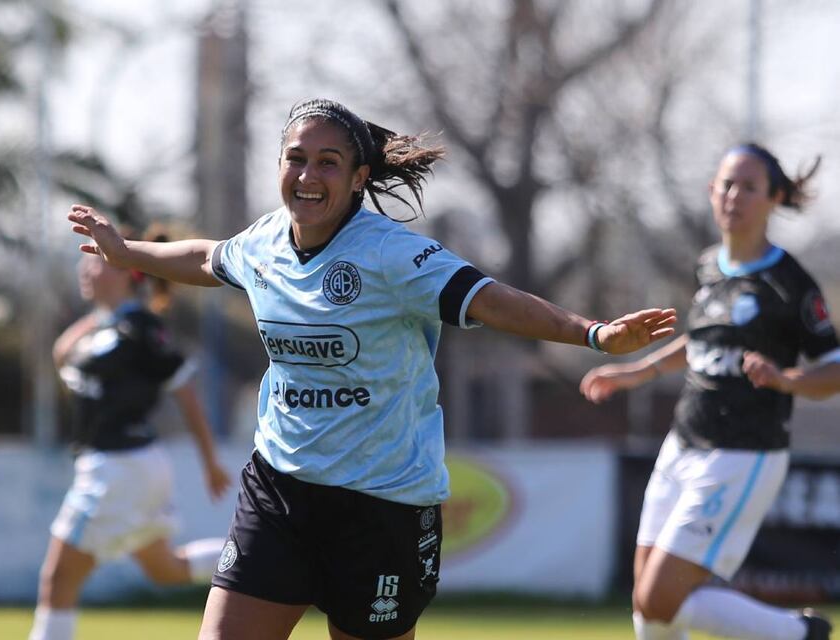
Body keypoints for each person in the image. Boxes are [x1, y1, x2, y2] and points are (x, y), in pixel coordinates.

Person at [67, 97, 678, 640]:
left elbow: (489, 298)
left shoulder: (392, 253)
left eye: (328, 162)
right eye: (295, 158)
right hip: (280, 488)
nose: (307, 175)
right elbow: (205, 257)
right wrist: (128, 252)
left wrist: (592, 333)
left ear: (360, 177)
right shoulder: (264, 243)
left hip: (382, 505)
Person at [580, 143, 840, 640]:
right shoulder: (709, 267)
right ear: (711, 191)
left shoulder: (789, 282)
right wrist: (636, 372)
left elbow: (833, 368)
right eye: (726, 184)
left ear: (773, 198)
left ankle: (798, 634)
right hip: (682, 444)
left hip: (742, 453)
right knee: (646, 608)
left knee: (660, 598)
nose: (734, 195)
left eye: (749, 186)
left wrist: (788, 381)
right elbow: (699, 343)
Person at [28, 229, 233, 640]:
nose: (86, 268)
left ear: (128, 272)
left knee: (58, 580)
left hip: (118, 468)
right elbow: (61, 356)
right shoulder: (104, 327)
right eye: (86, 261)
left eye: (98, 261)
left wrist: (210, 462)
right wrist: (101, 315)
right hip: (126, 468)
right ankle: (261, 558)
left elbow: (186, 393)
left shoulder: (140, 328)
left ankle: (271, 558)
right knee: (168, 570)